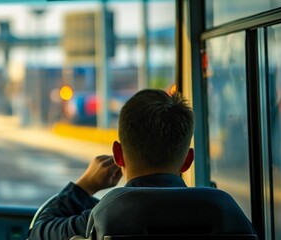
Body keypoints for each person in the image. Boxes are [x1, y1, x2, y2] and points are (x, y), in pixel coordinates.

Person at [28, 89, 196, 240]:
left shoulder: (104, 215)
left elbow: (37, 232)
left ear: (118, 154)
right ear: (188, 160)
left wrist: (84, 186)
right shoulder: (219, 209)